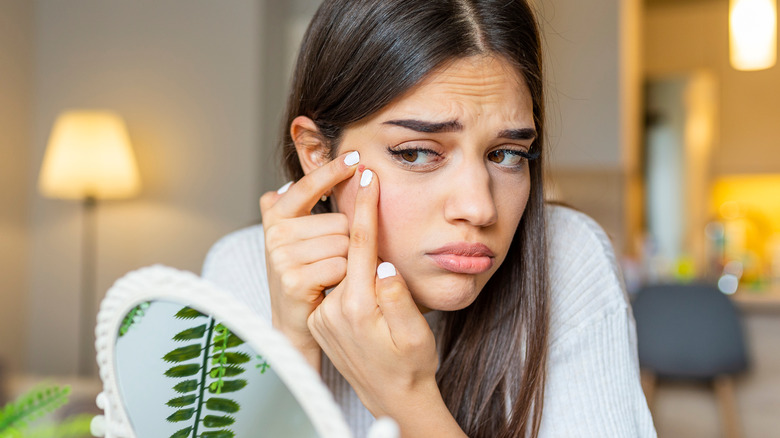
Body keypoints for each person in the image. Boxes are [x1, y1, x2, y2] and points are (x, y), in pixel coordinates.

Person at [202, 0, 656, 437]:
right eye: (417, 153)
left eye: (506, 154)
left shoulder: (567, 257)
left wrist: (407, 399)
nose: (479, 209)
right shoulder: (241, 272)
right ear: (319, 154)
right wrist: (293, 353)